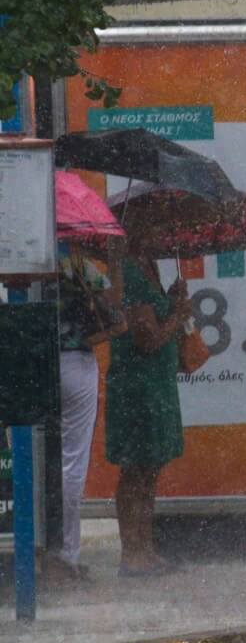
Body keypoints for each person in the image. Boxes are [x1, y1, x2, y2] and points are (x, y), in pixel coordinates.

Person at [105, 257, 188, 577]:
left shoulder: (148, 268)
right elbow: (147, 338)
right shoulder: (129, 273)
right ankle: (132, 552)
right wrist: (178, 316)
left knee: (151, 467)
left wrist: (170, 298)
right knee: (136, 468)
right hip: (138, 386)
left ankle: (145, 548)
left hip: (156, 383)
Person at [47, 244, 125, 582]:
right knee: (71, 461)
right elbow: (113, 304)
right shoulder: (74, 261)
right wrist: (116, 261)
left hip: (31, 365)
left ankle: (38, 551)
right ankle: (66, 555)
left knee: (32, 460)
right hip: (75, 364)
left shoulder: (20, 254)